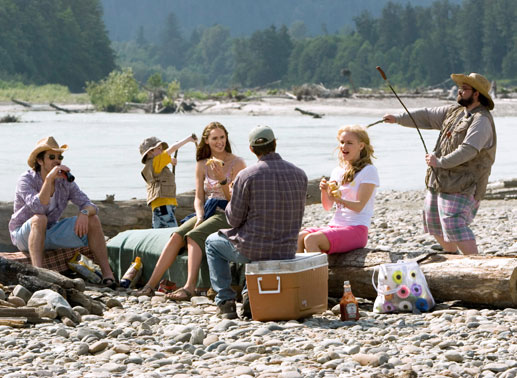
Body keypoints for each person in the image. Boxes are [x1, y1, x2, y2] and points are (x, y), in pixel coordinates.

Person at [383, 72, 496, 255]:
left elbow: (469, 150)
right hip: (440, 180)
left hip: (465, 184)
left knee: (454, 223)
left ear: (476, 94)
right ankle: (453, 259)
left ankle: (476, 263)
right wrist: (398, 118)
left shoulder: (481, 120)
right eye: (460, 88)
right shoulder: (454, 112)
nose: (459, 91)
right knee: (433, 223)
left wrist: (440, 162)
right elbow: (426, 116)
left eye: (464, 89)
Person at [205, 125, 308, 319]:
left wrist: (233, 192)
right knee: (249, 235)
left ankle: (226, 302)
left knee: (213, 243)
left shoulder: (247, 176)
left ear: (252, 149)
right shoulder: (300, 174)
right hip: (286, 249)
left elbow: (233, 219)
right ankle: (249, 296)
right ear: (275, 144)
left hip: (255, 249)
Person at [134, 122, 246, 300]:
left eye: (222, 137)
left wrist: (222, 180)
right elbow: (199, 197)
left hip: (228, 212)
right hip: (209, 209)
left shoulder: (238, 163)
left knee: (194, 235)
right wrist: (200, 215)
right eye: (215, 138)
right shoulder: (202, 164)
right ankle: (150, 285)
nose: (220, 142)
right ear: (207, 141)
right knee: (177, 235)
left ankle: (189, 287)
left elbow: (237, 201)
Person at [9, 137, 117, 288]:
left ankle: (108, 274)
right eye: (51, 157)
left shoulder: (65, 181)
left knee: (93, 219)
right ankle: (40, 273)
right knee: (39, 219)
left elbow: (90, 204)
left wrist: (84, 213)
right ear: (40, 161)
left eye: (60, 157)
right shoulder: (26, 179)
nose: (57, 161)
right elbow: (38, 207)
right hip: (24, 234)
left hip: (50, 231)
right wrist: (49, 179)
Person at [297, 125, 379, 254]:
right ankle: (304, 274)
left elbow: (359, 206)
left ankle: (320, 274)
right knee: (299, 237)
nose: (343, 146)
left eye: (349, 143)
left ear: (361, 146)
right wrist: (324, 191)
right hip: (335, 225)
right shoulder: (337, 171)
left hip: (356, 229)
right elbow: (328, 206)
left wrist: (339, 199)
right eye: (342, 142)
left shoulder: (369, 170)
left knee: (311, 240)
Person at [140, 134, 197, 228]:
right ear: (150, 152)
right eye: (159, 148)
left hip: (163, 204)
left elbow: (165, 157)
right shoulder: (155, 162)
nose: (162, 150)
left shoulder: (154, 164)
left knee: (160, 229)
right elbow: (172, 149)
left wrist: (170, 160)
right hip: (163, 205)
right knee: (171, 230)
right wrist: (188, 139)